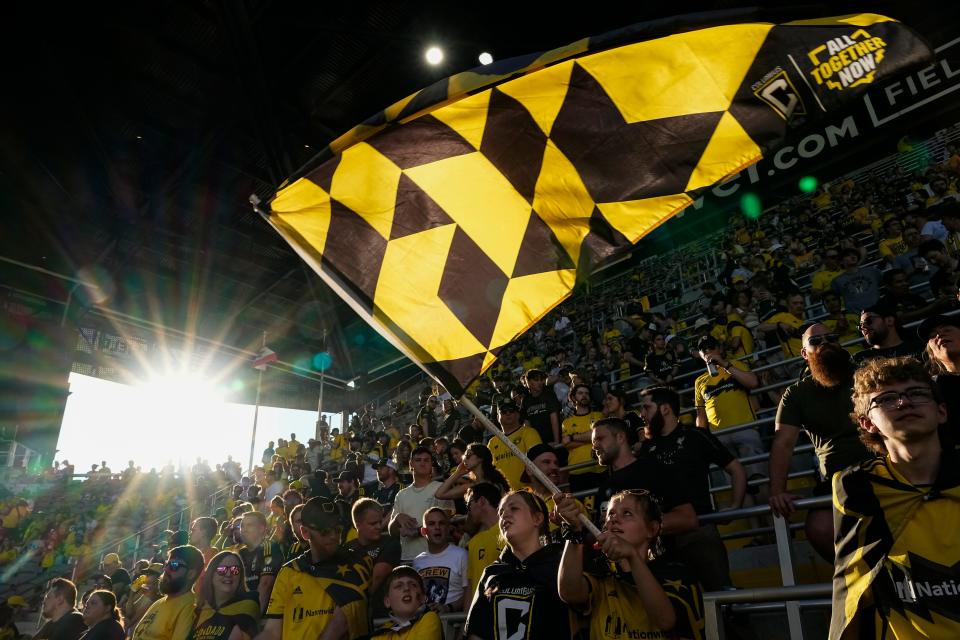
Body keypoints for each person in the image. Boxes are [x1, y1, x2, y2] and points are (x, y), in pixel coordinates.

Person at [830, 356, 960, 638]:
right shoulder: (857, 487)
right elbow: (850, 586)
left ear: (942, 412)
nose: (904, 403)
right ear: (867, 424)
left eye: (917, 393)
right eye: (887, 399)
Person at [769, 323, 871, 561]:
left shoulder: (865, 375)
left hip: (883, 464)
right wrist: (777, 492)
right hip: (837, 477)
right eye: (816, 342)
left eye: (831, 338)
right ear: (804, 353)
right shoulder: (796, 394)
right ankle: (858, 578)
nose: (825, 344)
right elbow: (783, 443)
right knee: (820, 529)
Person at [556, 490, 705, 640]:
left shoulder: (676, 573)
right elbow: (569, 593)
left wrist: (633, 556)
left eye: (627, 513)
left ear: (652, 529)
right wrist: (574, 532)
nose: (614, 519)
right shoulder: (601, 572)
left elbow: (666, 621)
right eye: (610, 514)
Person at [638, 386, 745, 591]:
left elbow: (736, 469)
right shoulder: (646, 448)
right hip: (663, 537)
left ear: (666, 409)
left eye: (646, 408)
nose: (642, 414)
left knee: (721, 595)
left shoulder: (696, 435)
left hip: (700, 529)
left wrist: (735, 506)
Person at [463, 491, 574, 640]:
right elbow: (476, 633)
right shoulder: (492, 573)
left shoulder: (560, 566)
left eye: (513, 508)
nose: (504, 515)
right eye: (501, 512)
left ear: (537, 518)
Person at [257, 497, 370, 640]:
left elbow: (342, 622)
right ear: (305, 533)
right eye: (325, 531)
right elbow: (272, 632)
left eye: (337, 529)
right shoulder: (289, 572)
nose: (333, 536)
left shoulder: (357, 563)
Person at [591, 417, 698, 538]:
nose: (595, 447)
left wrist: (635, 526)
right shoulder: (604, 487)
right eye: (593, 442)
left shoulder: (654, 470)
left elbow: (687, 519)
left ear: (620, 437)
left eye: (600, 439)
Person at [693, 336, 765, 480]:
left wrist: (725, 365)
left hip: (745, 428)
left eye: (711, 347)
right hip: (719, 437)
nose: (708, 351)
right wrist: (702, 438)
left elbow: (753, 382)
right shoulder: (700, 381)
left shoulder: (736, 364)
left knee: (757, 478)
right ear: (700, 355)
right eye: (703, 350)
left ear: (719, 348)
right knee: (736, 484)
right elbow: (700, 414)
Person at [388, 447, 454, 563]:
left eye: (426, 460)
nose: (423, 463)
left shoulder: (441, 488)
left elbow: (446, 521)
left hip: (436, 557)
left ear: (431, 464)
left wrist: (418, 532)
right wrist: (397, 518)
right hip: (408, 558)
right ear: (411, 464)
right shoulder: (401, 494)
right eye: (418, 460)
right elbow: (392, 531)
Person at [132, 546, 203, 640]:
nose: (166, 570)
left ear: (191, 574)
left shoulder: (189, 607)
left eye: (174, 565)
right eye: (166, 564)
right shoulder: (159, 603)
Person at [344, 498, 400, 619]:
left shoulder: (390, 543)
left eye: (380, 522)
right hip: (354, 614)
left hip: (383, 613)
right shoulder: (346, 548)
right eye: (373, 523)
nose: (379, 526)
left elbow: (377, 579)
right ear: (358, 524)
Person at [189, 551, 260, 640]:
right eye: (221, 570)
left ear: (240, 576)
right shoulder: (198, 612)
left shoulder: (248, 604)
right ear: (211, 575)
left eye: (235, 570)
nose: (228, 574)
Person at [412, 508, 469, 612]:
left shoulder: (461, 555)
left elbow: (469, 593)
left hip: (453, 623)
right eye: (432, 524)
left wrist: (448, 608)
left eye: (441, 523)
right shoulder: (417, 562)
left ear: (447, 529)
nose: (437, 527)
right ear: (424, 531)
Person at [368, 567, 443, 639]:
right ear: (387, 601)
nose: (406, 588)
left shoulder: (429, 618)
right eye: (398, 586)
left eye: (413, 585)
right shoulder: (384, 631)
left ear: (423, 598)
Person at [919, 314, 960, 443]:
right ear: (932, 354)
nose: (939, 335)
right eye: (932, 335)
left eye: (947, 330)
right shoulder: (932, 389)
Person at [487, 400, 542, 490]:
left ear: (518, 414)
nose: (508, 413)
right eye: (504, 412)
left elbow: (538, 461)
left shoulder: (529, 433)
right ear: (498, 417)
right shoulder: (492, 442)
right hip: (504, 496)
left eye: (511, 410)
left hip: (528, 492)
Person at [462, 482, 504, 601]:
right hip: (480, 613)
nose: (468, 512)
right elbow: (471, 586)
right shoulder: (474, 542)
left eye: (469, 505)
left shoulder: (511, 533)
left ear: (481, 501)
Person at [237, 511, 283, 613]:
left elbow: (265, 585)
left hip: (263, 613)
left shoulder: (270, 547)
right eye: (242, 526)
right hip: (242, 610)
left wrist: (253, 617)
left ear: (261, 528)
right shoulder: (240, 553)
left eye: (249, 525)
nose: (243, 530)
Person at [561, 383, 604, 492]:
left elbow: (600, 435)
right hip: (576, 471)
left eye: (587, 393)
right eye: (580, 393)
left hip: (599, 469)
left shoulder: (599, 416)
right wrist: (591, 439)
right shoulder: (567, 422)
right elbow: (567, 444)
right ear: (573, 397)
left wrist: (573, 437)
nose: (584, 396)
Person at [435, 443, 510, 503]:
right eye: (464, 456)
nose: (464, 459)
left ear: (480, 458)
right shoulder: (471, 486)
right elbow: (439, 494)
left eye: (468, 455)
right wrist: (458, 473)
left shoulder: (496, 484)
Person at [852, 304, 920, 366]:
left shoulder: (917, 350)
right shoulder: (858, 359)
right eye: (860, 326)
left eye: (868, 321)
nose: (863, 327)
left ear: (889, 320)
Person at [832, 247, 883, 313]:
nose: (853, 256)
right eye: (848, 255)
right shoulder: (837, 281)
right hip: (856, 316)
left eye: (854, 254)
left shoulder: (872, 271)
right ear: (841, 261)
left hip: (878, 310)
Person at [518, 369, 562, 444]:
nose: (540, 382)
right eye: (536, 380)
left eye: (541, 380)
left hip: (552, 440)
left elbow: (554, 419)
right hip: (536, 442)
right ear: (528, 382)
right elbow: (526, 424)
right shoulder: (526, 400)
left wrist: (556, 442)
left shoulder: (549, 395)